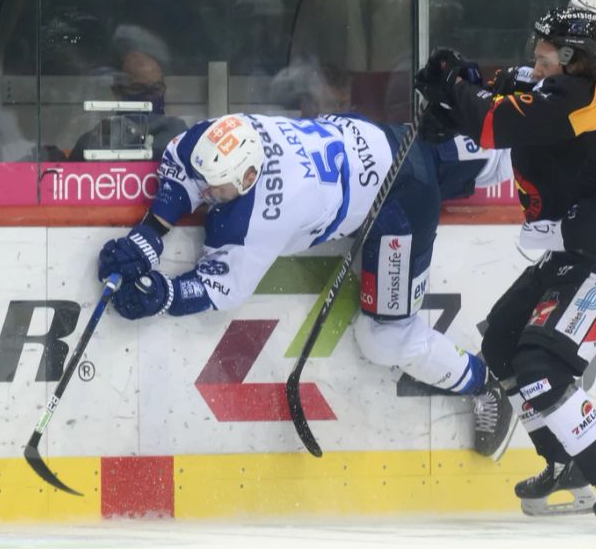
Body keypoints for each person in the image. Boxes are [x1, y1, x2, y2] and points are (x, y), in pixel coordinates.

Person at [96, 111, 517, 459]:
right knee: (510, 155)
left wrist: (164, 295)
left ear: (248, 177)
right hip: (396, 140)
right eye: (206, 181)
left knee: (384, 338)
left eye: (216, 187)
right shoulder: (221, 136)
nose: (206, 191)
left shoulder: (258, 216)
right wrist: (150, 234)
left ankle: (481, 381)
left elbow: (221, 289)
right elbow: (184, 166)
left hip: (400, 204)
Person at [415, 6, 596, 529]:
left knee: (542, 366)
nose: (535, 54)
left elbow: (492, 120)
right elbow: (504, 86)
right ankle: (563, 461)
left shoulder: (577, 96)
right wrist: (464, 77)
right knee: (502, 342)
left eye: (545, 47)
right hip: (574, 250)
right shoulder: (556, 83)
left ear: (571, 57)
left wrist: (455, 89)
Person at [68, 51, 187, 161]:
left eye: (156, 89)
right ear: (117, 92)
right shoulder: (93, 143)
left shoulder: (178, 135)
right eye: (138, 88)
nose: (149, 97)